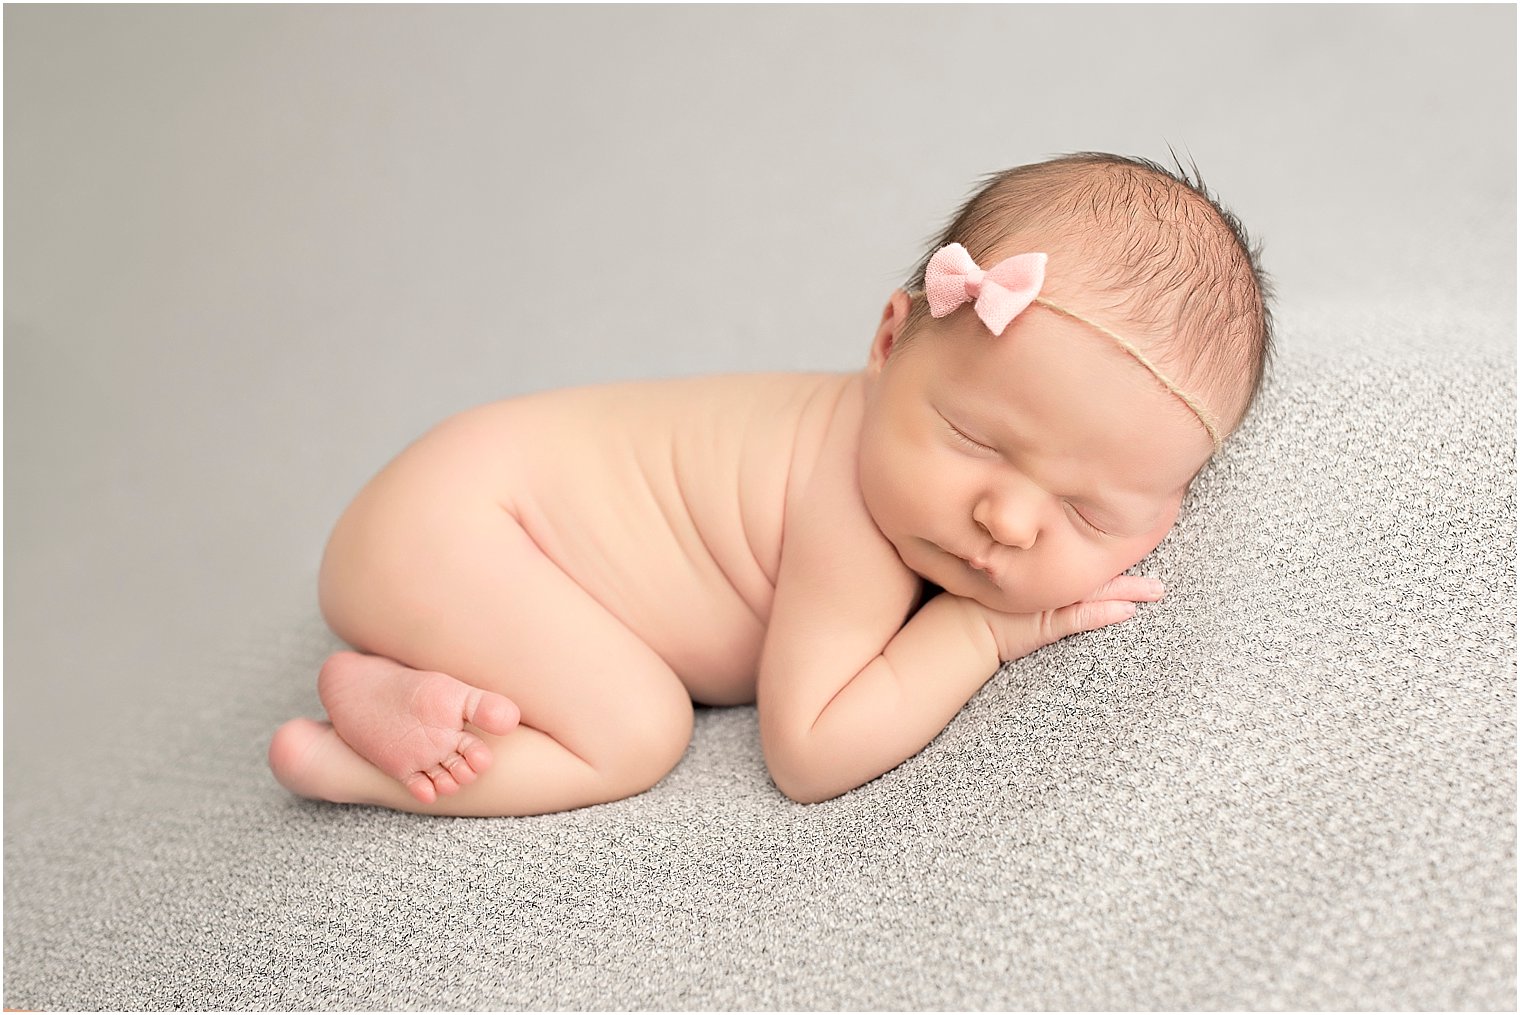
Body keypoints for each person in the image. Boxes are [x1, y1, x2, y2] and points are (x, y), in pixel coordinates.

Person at [269, 151, 1273, 815]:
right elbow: (809, 750)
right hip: (459, 527)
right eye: (971, 438)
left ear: (1164, 514)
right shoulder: (854, 510)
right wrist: (979, 631)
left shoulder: (919, 474)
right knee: (632, 731)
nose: (1005, 519)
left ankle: (409, 684)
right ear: (887, 344)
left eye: (1087, 511)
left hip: (460, 503)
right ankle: (348, 763)